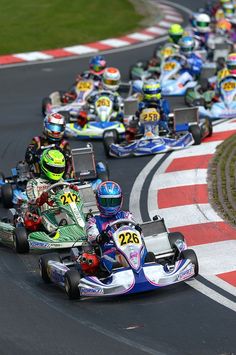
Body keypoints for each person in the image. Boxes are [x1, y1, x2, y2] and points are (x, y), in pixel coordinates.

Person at [86, 181, 135, 275]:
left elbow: (135, 230)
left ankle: (146, 265)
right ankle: (110, 275)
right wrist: (100, 237)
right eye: (105, 202)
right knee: (110, 261)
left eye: (114, 201)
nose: (110, 206)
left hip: (131, 249)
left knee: (146, 255)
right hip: (109, 251)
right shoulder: (94, 221)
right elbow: (92, 236)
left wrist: (137, 229)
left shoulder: (126, 216)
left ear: (120, 200)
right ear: (98, 201)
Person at [25, 113, 73, 178]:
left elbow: (69, 161)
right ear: (46, 126)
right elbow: (28, 158)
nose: (55, 132)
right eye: (53, 127)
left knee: (70, 161)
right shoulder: (37, 141)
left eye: (58, 128)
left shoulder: (64, 144)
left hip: (60, 175)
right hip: (40, 175)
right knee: (22, 164)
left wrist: (65, 155)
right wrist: (34, 153)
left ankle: (67, 178)